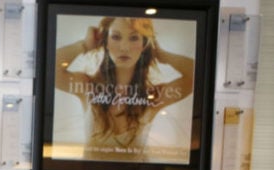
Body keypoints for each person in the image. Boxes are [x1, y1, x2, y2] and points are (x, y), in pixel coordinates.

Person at [54, 17, 195, 162]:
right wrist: (83, 45)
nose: (124, 47)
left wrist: (162, 55)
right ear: (106, 42)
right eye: (116, 37)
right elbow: (48, 69)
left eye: (134, 38)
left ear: (144, 44)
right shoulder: (88, 86)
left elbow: (197, 75)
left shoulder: (153, 95)